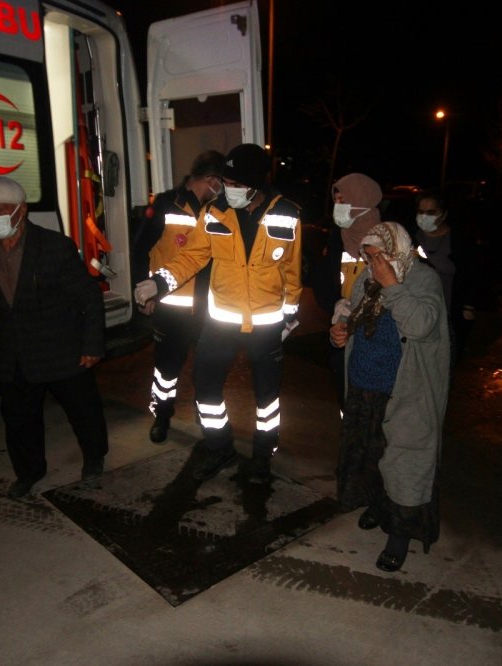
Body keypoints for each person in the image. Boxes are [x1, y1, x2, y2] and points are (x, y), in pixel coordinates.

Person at [133, 143, 302, 485]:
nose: (230, 189)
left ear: (256, 184)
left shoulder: (287, 213)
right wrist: (158, 283)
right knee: (206, 387)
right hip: (222, 320)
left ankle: (262, 456)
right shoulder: (215, 212)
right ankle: (219, 445)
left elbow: (293, 273)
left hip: (266, 323)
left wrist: (289, 319)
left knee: (266, 398)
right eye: (227, 182)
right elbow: (190, 257)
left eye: (237, 184)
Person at [0, 176, 109, 499]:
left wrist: (92, 344)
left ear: (21, 210)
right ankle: (29, 472)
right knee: (18, 417)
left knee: (84, 410)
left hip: (61, 346)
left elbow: (88, 296)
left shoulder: (54, 246)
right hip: (15, 350)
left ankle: (94, 459)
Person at [329, 222, 450, 572]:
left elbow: (421, 326)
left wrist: (392, 286)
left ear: (396, 251)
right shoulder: (367, 278)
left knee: (405, 460)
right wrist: (340, 332)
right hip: (366, 383)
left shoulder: (422, 278)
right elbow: (351, 315)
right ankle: (378, 506)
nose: (371, 263)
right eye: (367, 256)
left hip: (404, 389)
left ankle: (400, 535)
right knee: (371, 453)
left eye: (377, 255)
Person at [133, 150, 226, 443]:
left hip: (208, 309)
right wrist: (145, 291)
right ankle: (161, 416)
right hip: (171, 309)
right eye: (221, 182)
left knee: (207, 367)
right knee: (166, 370)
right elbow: (140, 250)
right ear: (212, 180)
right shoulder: (165, 204)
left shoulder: (218, 210)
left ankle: (205, 413)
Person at [311, 173, 384, 407]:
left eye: (345, 200)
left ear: (363, 201)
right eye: (337, 201)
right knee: (347, 402)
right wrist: (335, 303)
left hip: (378, 338)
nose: (339, 207)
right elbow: (323, 280)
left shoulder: (389, 240)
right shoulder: (337, 239)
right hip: (342, 334)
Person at [411, 190, 483, 368]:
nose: (424, 217)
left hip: (450, 312)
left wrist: (469, 305)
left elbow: (472, 274)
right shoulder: (410, 238)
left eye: (431, 212)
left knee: (444, 364)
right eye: (421, 212)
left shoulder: (459, 240)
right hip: (417, 313)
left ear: (443, 214)